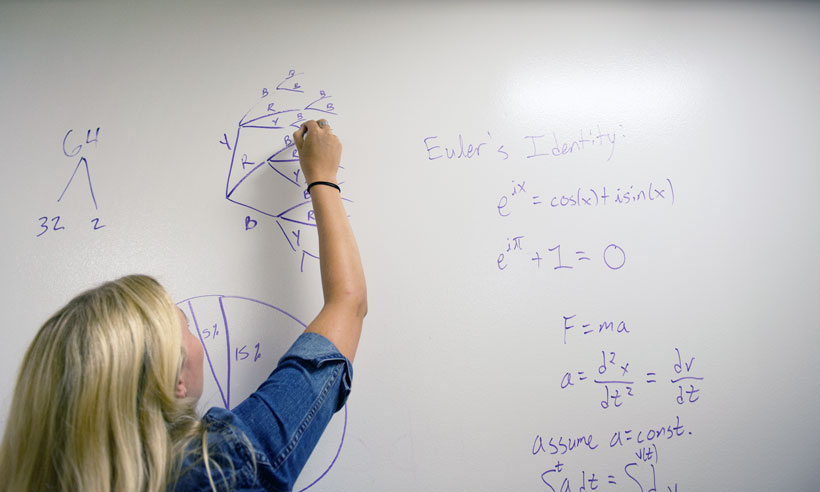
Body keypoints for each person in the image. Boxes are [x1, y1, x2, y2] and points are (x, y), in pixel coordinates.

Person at [0, 119, 366, 492]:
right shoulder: (218, 471)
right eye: (186, 327)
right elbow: (347, 305)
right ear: (174, 381)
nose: (195, 337)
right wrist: (322, 177)